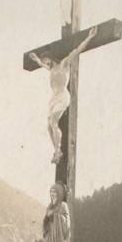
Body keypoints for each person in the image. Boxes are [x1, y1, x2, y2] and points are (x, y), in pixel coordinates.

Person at [30, 25, 97, 164]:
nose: (45, 63)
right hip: (53, 99)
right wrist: (36, 59)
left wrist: (89, 37)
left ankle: (58, 150)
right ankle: (57, 151)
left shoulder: (64, 64)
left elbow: (77, 50)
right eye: (43, 62)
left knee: (54, 122)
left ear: (50, 58)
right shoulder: (50, 69)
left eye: (46, 60)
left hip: (62, 97)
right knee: (49, 126)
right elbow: (41, 64)